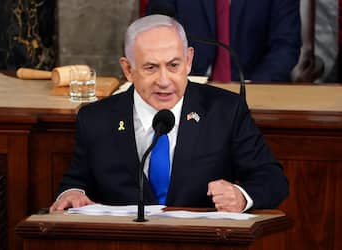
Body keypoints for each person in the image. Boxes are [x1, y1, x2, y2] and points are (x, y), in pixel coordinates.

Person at [50, 14, 288, 213]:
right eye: (151, 67)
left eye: (174, 65)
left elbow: (271, 178)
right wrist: (72, 193)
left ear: (189, 61)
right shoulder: (96, 119)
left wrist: (242, 196)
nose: (164, 81)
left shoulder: (225, 110)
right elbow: (76, 181)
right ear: (128, 69)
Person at [146, 0, 301, 82]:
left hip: (255, 88)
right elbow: (157, 33)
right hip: (188, 87)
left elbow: (286, 45)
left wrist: (256, 86)